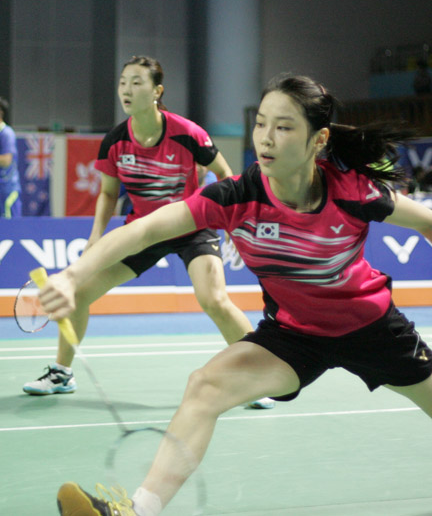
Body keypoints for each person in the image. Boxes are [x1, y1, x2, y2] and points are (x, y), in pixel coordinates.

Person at [44, 75, 432, 515]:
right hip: (294, 336)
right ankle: (138, 511)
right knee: (204, 385)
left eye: (283, 127)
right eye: (261, 124)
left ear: (318, 140)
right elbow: (144, 229)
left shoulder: (352, 191)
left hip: (372, 328)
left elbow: (430, 223)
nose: (265, 137)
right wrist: (72, 276)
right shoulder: (235, 196)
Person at [22, 56, 274, 410]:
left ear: (157, 91)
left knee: (214, 299)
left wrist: (231, 220)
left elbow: (224, 173)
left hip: (191, 225)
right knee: (78, 293)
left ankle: (258, 376)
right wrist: (96, 235)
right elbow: (108, 193)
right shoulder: (115, 141)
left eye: (137, 82)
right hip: (143, 231)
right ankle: (62, 373)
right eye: (123, 82)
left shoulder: (187, 132)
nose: (127, 89)